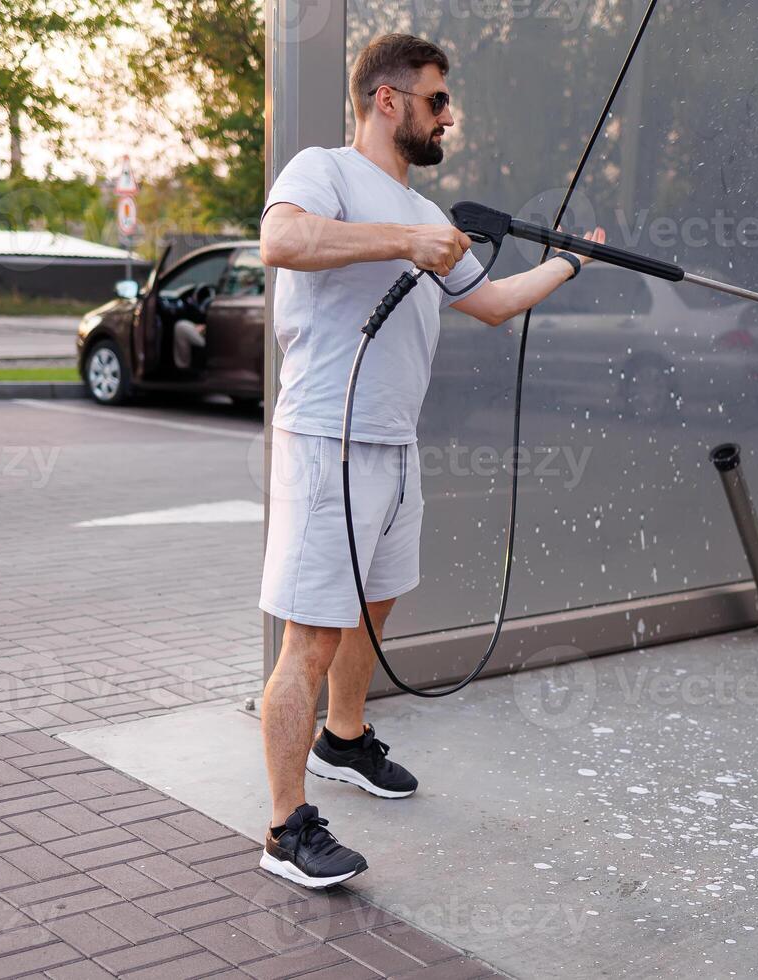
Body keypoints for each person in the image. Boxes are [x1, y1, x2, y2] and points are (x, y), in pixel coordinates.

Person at [256, 32, 603, 888]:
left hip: (394, 444)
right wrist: (398, 244)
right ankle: (285, 830)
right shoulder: (325, 171)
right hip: (327, 437)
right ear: (387, 99)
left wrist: (564, 265)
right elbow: (282, 241)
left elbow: (487, 303)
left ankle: (343, 740)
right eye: (437, 99)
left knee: (374, 605)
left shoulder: (430, 216)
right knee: (310, 633)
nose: (448, 114)